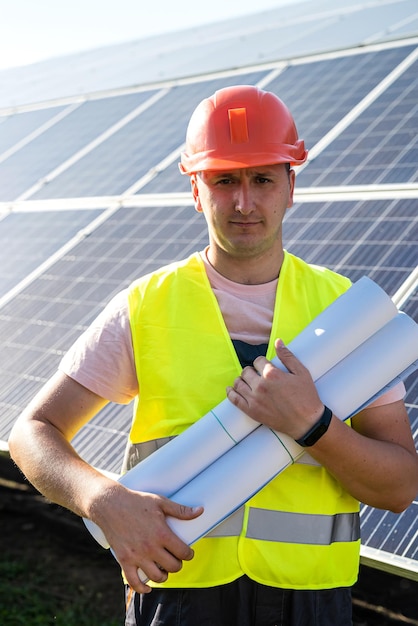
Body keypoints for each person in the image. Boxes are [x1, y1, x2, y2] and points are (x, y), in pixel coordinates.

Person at [8, 85, 418, 626]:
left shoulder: (349, 312)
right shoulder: (145, 307)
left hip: (311, 603)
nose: (244, 202)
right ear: (196, 192)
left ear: (291, 186)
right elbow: (31, 433)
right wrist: (102, 500)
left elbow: (399, 486)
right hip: (179, 595)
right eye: (224, 181)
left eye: (263, 180)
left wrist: (314, 425)